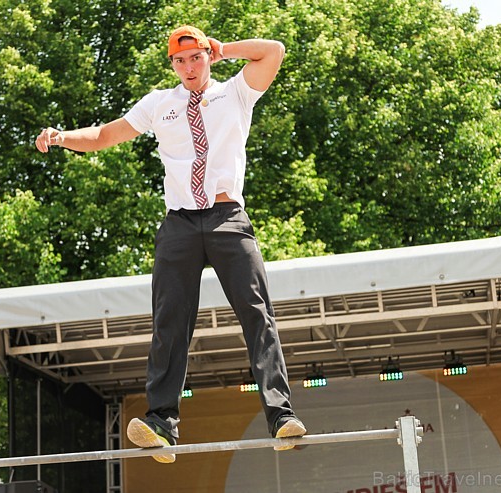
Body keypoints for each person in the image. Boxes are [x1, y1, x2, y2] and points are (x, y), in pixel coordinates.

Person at [35, 25, 305, 463]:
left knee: (257, 315)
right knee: (169, 322)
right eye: (179, 62)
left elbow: (273, 51)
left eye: (195, 58)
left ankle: (281, 415)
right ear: (172, 66)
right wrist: (62, 136)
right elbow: (104, 136)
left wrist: (225, 49)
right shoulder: (159, 104)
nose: (188, 68)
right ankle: (162, 422)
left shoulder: (236, 92)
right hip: (179, 224)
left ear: (206, 57)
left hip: (227, 219)